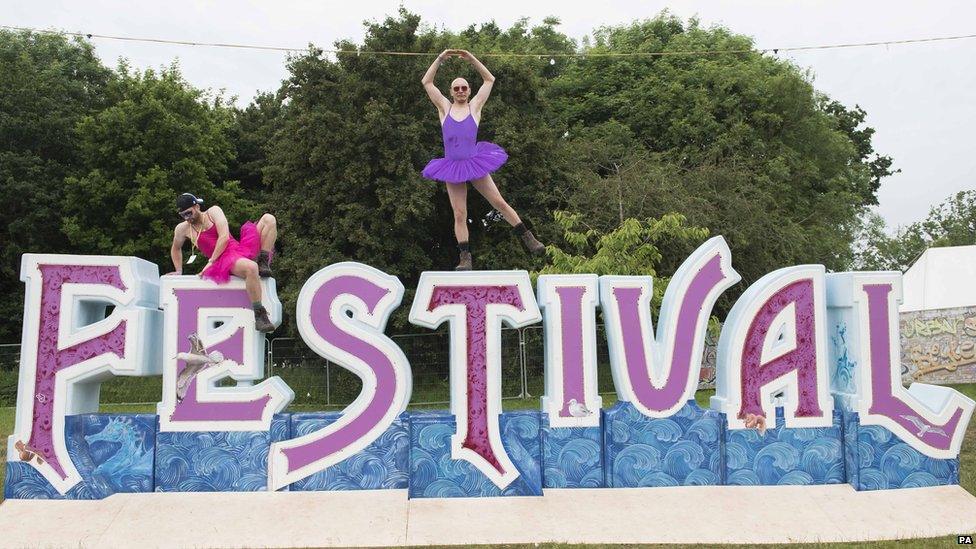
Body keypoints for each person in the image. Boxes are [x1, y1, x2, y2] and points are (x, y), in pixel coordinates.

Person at [421, 48, 545, 271]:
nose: (460, 90)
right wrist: (440, 58)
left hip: (474, 162)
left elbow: (489, 79)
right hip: (452, 167)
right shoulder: (444, 109)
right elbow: (427, 83)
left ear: (469, 91)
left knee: (498, 202)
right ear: (451, 92)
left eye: (464, 87)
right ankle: (465, 257)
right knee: (460, 213)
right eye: (456, 88)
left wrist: (471, 58)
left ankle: (528, 238)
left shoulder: (474, 107)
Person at [167, 193, 278, 332]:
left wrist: (210, 261)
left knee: (269, 219)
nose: (187, 218)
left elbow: (224, 237)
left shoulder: (213, 212)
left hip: (237, 249)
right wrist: (179, 270)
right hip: (224, 259)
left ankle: (263, 262)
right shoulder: (182, 229)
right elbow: (176, 248)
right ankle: (259, 314)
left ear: (197, 206)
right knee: (251, 268)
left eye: (189, 213)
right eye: (183, 215)